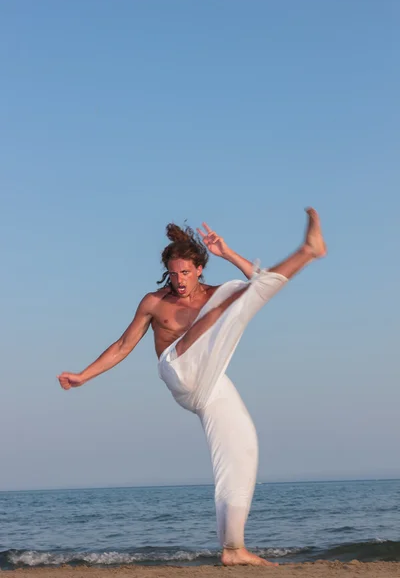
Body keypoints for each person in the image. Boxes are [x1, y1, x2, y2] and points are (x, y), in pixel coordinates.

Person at [58, 207, 326, 566]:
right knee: (227, 304)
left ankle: (234, 549)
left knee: (242, 449)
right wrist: (83, 375)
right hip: (177, 370)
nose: (179, 280)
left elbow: (257, 283)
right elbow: (123, 346)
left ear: (199, 268)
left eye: (185, 272)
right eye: (173, 274)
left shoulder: (215, 292)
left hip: (211, 378)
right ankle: (307, 251)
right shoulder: (154, 303)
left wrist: (228, 253)